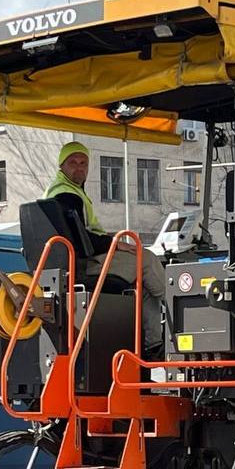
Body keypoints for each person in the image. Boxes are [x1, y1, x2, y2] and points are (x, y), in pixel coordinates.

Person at [45, 140, 166, 356]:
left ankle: (153, 344)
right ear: (61, 166)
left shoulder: (59, 190)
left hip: (76, 262)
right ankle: (180, 304)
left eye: (83, 163)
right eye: (73, 162)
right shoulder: (67, 195)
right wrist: (114, 243)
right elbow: (78, 239)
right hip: (86, 264)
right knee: (145, 258)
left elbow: (81, 233)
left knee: (145, 285)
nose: (79, 167)